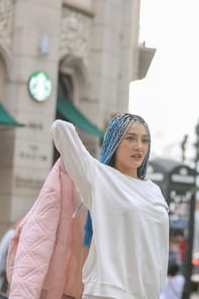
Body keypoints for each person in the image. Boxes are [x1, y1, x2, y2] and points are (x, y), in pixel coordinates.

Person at [50, 114, 170, 298]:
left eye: (145, 140)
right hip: (108, 292)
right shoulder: (98, 177)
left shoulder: (154, 190)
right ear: (114, 141)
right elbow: (61, 129)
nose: (139, 146)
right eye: (130, 138)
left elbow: (159, 248)